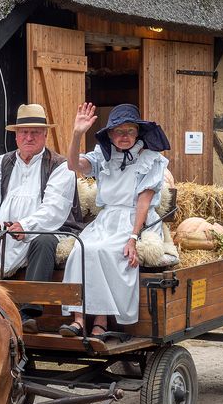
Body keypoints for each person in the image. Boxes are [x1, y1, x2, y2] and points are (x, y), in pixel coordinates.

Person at [0, 103, 84, 331]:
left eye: (35, 132)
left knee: (42, 241)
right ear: (16, 136)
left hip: (49, 229)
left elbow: (53, 210)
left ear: (45, 135)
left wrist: (25, 226)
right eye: (23, 132)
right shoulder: (0, 164)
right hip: (4, 232)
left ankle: (28, 314)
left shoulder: (60, 166)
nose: (29, 137)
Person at [61, 103, 170, 338]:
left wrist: (132, 238)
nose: (124, 136)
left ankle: (101, 321)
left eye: (130, 131)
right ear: (110, 134)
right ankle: (78, 319)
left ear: (138, 132)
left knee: (106, 251)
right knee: (81, 250)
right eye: (119, 131)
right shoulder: (103, 154)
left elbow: (144, 200)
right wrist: (77, 133)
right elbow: (73, 165)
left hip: (136, 220)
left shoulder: (152, 159)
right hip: (107, 219)